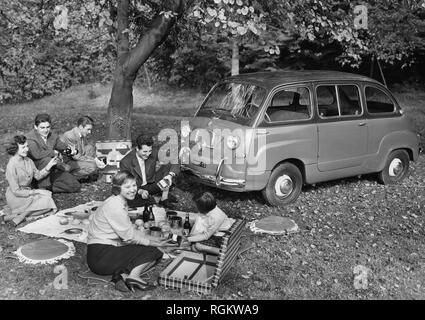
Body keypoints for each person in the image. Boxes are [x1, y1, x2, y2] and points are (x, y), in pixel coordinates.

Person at [86, 171, 174, 292]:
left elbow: (129, 231)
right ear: (117, 188)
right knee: (153, 251)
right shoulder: (115, 206)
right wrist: (155, 243)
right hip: (101, 256)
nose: (132, 189)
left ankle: (121, 275)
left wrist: (154, 239)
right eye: (127, 187)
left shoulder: (117, 201)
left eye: (134, 185)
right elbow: (129, 237)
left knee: (153, 252)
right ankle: (134, 277)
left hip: (100, 253)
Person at [4, 135, 58, 226]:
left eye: (27, 146)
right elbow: (15, 191)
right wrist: (35, 191)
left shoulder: (28, 160)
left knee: (49, 202)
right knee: (46, 202)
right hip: (16, 196)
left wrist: (49, 165)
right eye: (23, 147)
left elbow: (37, 176)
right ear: (15, 149)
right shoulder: (11, 165)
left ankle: (19, 215)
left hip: (28, 193)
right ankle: (23, 215)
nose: (27, 149)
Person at [119, 134, 180, 209]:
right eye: (145, 151)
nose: (148, 154)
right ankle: (152, 200)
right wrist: (140, 191)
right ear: (137, 148)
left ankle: (164, 199)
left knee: (168, 165)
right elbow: (125, 184)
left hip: (152, 184)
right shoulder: (125, 162)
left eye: (150, 151)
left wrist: (170, 175)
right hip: (138, 188)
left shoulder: (153, 151)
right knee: (137, 202)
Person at [26, 113, 80, 193]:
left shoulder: (52, 136)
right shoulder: (30, 138)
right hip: (37, 172)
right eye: (42, 128)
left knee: (75, 186)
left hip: (52, 169)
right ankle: (43, 187)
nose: (46, 130)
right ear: (35, 127)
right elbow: (37, 155)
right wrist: (54, 152)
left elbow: (62, 146)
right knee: (46, 160)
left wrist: (70, 150)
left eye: (48, 127)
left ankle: (49, 187)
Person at [60, 116, 106, 181]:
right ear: (81, 127)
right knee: (92, 167)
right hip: (66, 162)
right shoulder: (70, 136)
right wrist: (95, 161)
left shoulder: (81, 133)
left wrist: (96, 159)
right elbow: (76, 157)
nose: (90, 132)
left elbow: (87, 149)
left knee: (90, 147)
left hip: (76, 157)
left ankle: (90, 173)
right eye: (88, 129)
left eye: (90, 129)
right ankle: (69, 177)